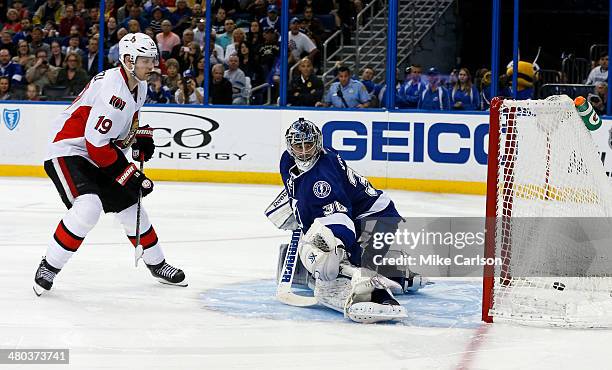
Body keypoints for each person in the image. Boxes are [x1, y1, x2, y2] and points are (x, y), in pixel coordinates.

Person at [33, 32, 187, 296]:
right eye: (145, 60)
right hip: (69, 149)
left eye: (152, 60)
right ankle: (49, 266)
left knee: (131, 207)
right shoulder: (112, 91)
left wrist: (139, 137)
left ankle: (156, 263)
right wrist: (129, 174)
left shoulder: (139, 84)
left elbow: (126, 125)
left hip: (98, 149)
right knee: (88, 207)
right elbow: (95, 145)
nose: (152, 66)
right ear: (127, 60)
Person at [272, 118, 426, 323]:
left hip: (379, 218)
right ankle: (388, 270)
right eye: (297, 146)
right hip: (357, 212)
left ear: (317, 144)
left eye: (308, 145)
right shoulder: (287, 160)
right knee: (329, 252)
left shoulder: (322, 177)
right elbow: (298, 191)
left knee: (343, 257)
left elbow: (341, 219)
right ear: (289, 146)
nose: (303, 151)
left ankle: (390, 277)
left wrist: (340, 253)